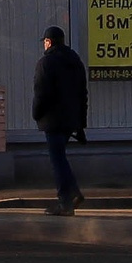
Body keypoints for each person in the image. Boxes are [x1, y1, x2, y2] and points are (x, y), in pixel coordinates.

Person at [32, 27, 88, 214]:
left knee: (57, 160)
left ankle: (66, 200)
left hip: (53, 119)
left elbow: (41, 93)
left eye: (45, 42)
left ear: (48, 42)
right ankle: (73, 193)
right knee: (60, 157)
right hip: (71, 119)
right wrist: (81, 123)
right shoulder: (75, 61)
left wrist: (36, 113)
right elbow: (83, 94)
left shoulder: (46, 63)